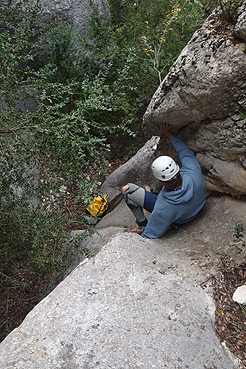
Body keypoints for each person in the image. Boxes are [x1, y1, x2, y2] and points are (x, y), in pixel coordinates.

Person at [122, 123, 206, 238]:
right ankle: (154, 193)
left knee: (127, 190)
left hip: (176, 219)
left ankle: (142, 223)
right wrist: (168, 133)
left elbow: (150, 234)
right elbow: (184, 151)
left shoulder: (163, 207)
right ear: (178, 169)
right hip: (193, 210)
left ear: (162, 182)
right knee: (163, 168)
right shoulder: (193, 171)